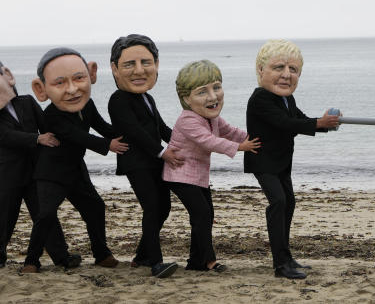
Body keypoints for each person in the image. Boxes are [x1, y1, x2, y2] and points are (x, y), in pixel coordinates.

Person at [0, 54, 76, 271]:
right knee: (3, 216)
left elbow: (47, 125)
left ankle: (62, 256)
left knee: (45, 214)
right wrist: (37, 138)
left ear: (8, 76)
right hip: (9, 174)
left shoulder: (27, 102)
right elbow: (6, 136)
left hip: (36, 170)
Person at [23, 47, 127, 273]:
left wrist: (129, 134)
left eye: (78, 78)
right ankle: (31, 261)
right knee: (46, 214)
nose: (72, 90)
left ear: (91, 74)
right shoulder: (51, 114)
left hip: (76, 170)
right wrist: (107, 145)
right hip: (52, 172)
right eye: (60, 83)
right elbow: (77, 136)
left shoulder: (87, 104)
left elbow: (102, 127)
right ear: (42, 90)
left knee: (95, 208)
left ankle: (102, 255)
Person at [244, 39, 341, 279]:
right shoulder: (261, 99)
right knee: (278, 203)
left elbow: (299, 119)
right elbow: (285, 123)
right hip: (263, 161)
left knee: (290, 202)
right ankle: (280, 264)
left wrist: (325, 124)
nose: (286, 75)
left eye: (293, 70)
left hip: (282, 162)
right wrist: (319, 123)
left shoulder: (287, 99)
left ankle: (286, 256)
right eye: (279, 68)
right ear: (260, 71)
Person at [163, 60, 261, 271]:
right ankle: (208, 260)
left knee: (206, 215)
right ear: (186, 99)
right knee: (202, 215)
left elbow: (232, 131)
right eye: (202, 92)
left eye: (216, 87)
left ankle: (195, 262)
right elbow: (210, 141)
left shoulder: (211, 117)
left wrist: (259, 139)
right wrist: (240, 147)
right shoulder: (188, 120)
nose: (213, 96)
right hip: (180, 175)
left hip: (197, 176)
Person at [107, 34, 183, 279]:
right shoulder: (118, 99)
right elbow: (134, 132)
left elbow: (161, 128)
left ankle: (141, 256)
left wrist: (188, 141)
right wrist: (163, 151)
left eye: (146, 63)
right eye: (130, 64)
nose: (139, 71)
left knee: (164, 208)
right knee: (151, 208)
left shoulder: (147, 98)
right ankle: (155, 263)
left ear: (156, 65)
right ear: (115, 69)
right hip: (136, 163)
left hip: (154, 161)